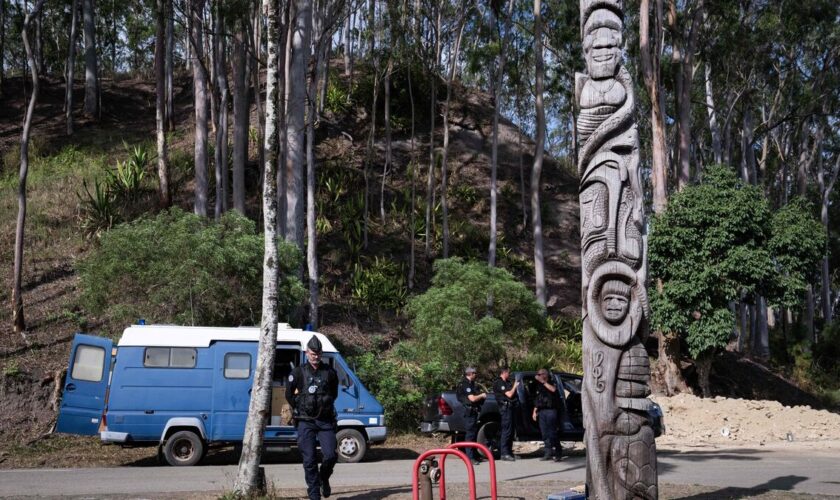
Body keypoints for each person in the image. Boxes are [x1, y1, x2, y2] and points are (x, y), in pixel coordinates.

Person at [286, 335, 339, 499]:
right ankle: (314, 494)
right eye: (312, 353)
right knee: (309, 461)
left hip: (325, 421)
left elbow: (334, 394)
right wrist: (301, 406)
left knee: (330, 455)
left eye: (318, 353)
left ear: (321, 353)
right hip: (305, 421)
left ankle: (324, 478)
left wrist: (322, 406)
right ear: (306, 353)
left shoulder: (329, 373)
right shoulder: (298, 372)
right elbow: (289, 394)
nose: (315, 356)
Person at [455, 366, 487, 465]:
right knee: (470, 435)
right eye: (475, 373)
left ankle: (474, 456)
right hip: (468, 413)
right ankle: (469, 458)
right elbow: (472, 398)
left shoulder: (471, 384)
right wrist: (482, 395)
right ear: (470, 374)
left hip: (472, 412)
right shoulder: (465, 384)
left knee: (473, 435)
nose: (476, 375)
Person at [531, 368, 562, 461]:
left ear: (545, 375)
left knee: (552, 433)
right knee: (544, 434)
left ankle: (558, 452)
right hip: (541, 411)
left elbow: (553, 390)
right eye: (538, 374)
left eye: (540, 374)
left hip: (551, 411)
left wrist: (543, 382)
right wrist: (534, 411)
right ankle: (548, 453)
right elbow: (538, 399)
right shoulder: (538, 386)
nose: (538, 376)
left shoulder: (551, 382)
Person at [493, 366, 520, 461]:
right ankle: (504, 453)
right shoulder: (499, 383)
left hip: (511, 408)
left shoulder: (507, 382)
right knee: (506, 431)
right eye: (508, 372)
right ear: (503, 373)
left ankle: (509, 452)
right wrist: (515, 386)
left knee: (511, 431)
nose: (509, 374)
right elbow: (509, 394)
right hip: (505, 409)